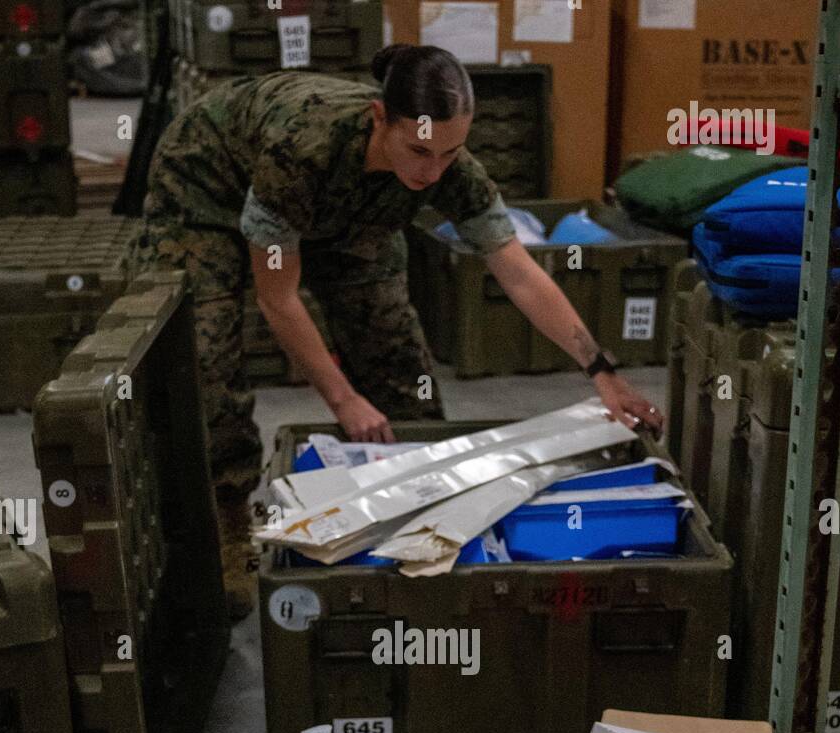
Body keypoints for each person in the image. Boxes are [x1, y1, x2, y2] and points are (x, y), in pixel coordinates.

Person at [130, 44, 663, 618]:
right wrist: (343, 397)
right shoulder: (303, 149)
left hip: (348, 211)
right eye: (419, 150)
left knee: (396, 355)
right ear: (379, 118)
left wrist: (601, 371)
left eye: (449, 153)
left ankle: (422, 503)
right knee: (206, 350)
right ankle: (228, 522)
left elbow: (519, 272)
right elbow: (277, 296)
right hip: (208, 189)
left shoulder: (448, 167)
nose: (431, 172)